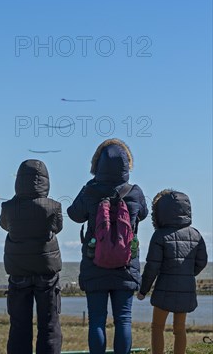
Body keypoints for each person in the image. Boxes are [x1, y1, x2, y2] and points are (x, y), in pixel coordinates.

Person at [68, 139, 148, 354]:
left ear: (97, 164)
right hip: (126, 264)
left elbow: (74, 215)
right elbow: (144, 214)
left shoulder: (90, 190)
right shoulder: (135, 192)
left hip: (95, 262)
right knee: (123, 319)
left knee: (96, 320)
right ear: (126, 164)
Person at [0, 159, 63, 354]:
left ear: (18, 180)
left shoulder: (8, 207)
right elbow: (58, 227)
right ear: (46, 181)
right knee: (49, 325)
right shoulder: (53, 206)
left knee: (19, 325)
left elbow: (4, 225)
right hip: (47, 270)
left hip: (18, 270)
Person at [137, 190, 208, 354]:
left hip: (164, 289)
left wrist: (143, 290)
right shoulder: (196, 234)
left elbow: (152, 267)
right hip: (186, 289)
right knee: (180, 328)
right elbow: (202, 261)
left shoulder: (160, 235)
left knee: (157, 327)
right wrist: (188, 274)